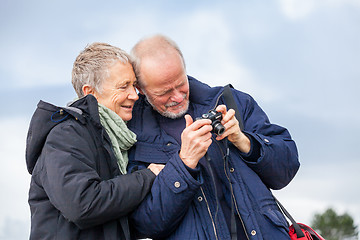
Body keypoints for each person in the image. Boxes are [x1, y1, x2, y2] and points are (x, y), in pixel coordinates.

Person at [127, 34, 300, 239]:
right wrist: (184, 165)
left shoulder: (231, 101)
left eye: (181, 83)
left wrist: (244, 142)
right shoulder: (131, 134)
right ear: (140, 88)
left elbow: (287, 168)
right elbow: (144, 224)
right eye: (164, 92)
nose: (178, 96)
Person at [25, 42, 164, 240]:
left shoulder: (115, 139)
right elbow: (81, 204)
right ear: (90, 92)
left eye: (134, 85)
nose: (134, 95)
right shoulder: (65, 135)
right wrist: (148, 176)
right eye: (123, 86)